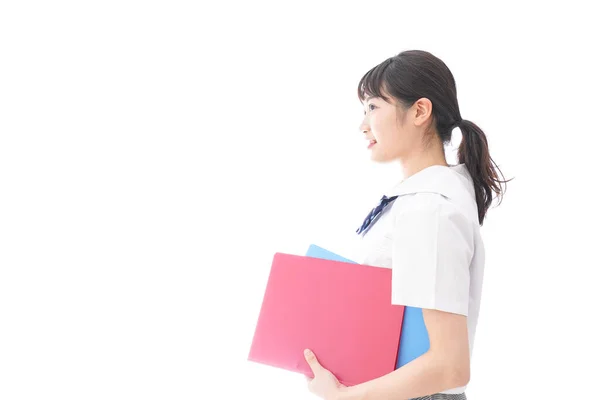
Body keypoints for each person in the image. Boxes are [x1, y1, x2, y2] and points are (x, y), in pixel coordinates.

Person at [303, 50, 508, 400]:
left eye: (373, 107)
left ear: (420, 111)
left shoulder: (430, 207)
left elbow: (449, 366)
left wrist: (342, 397)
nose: (363, 124)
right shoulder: (423, 199)